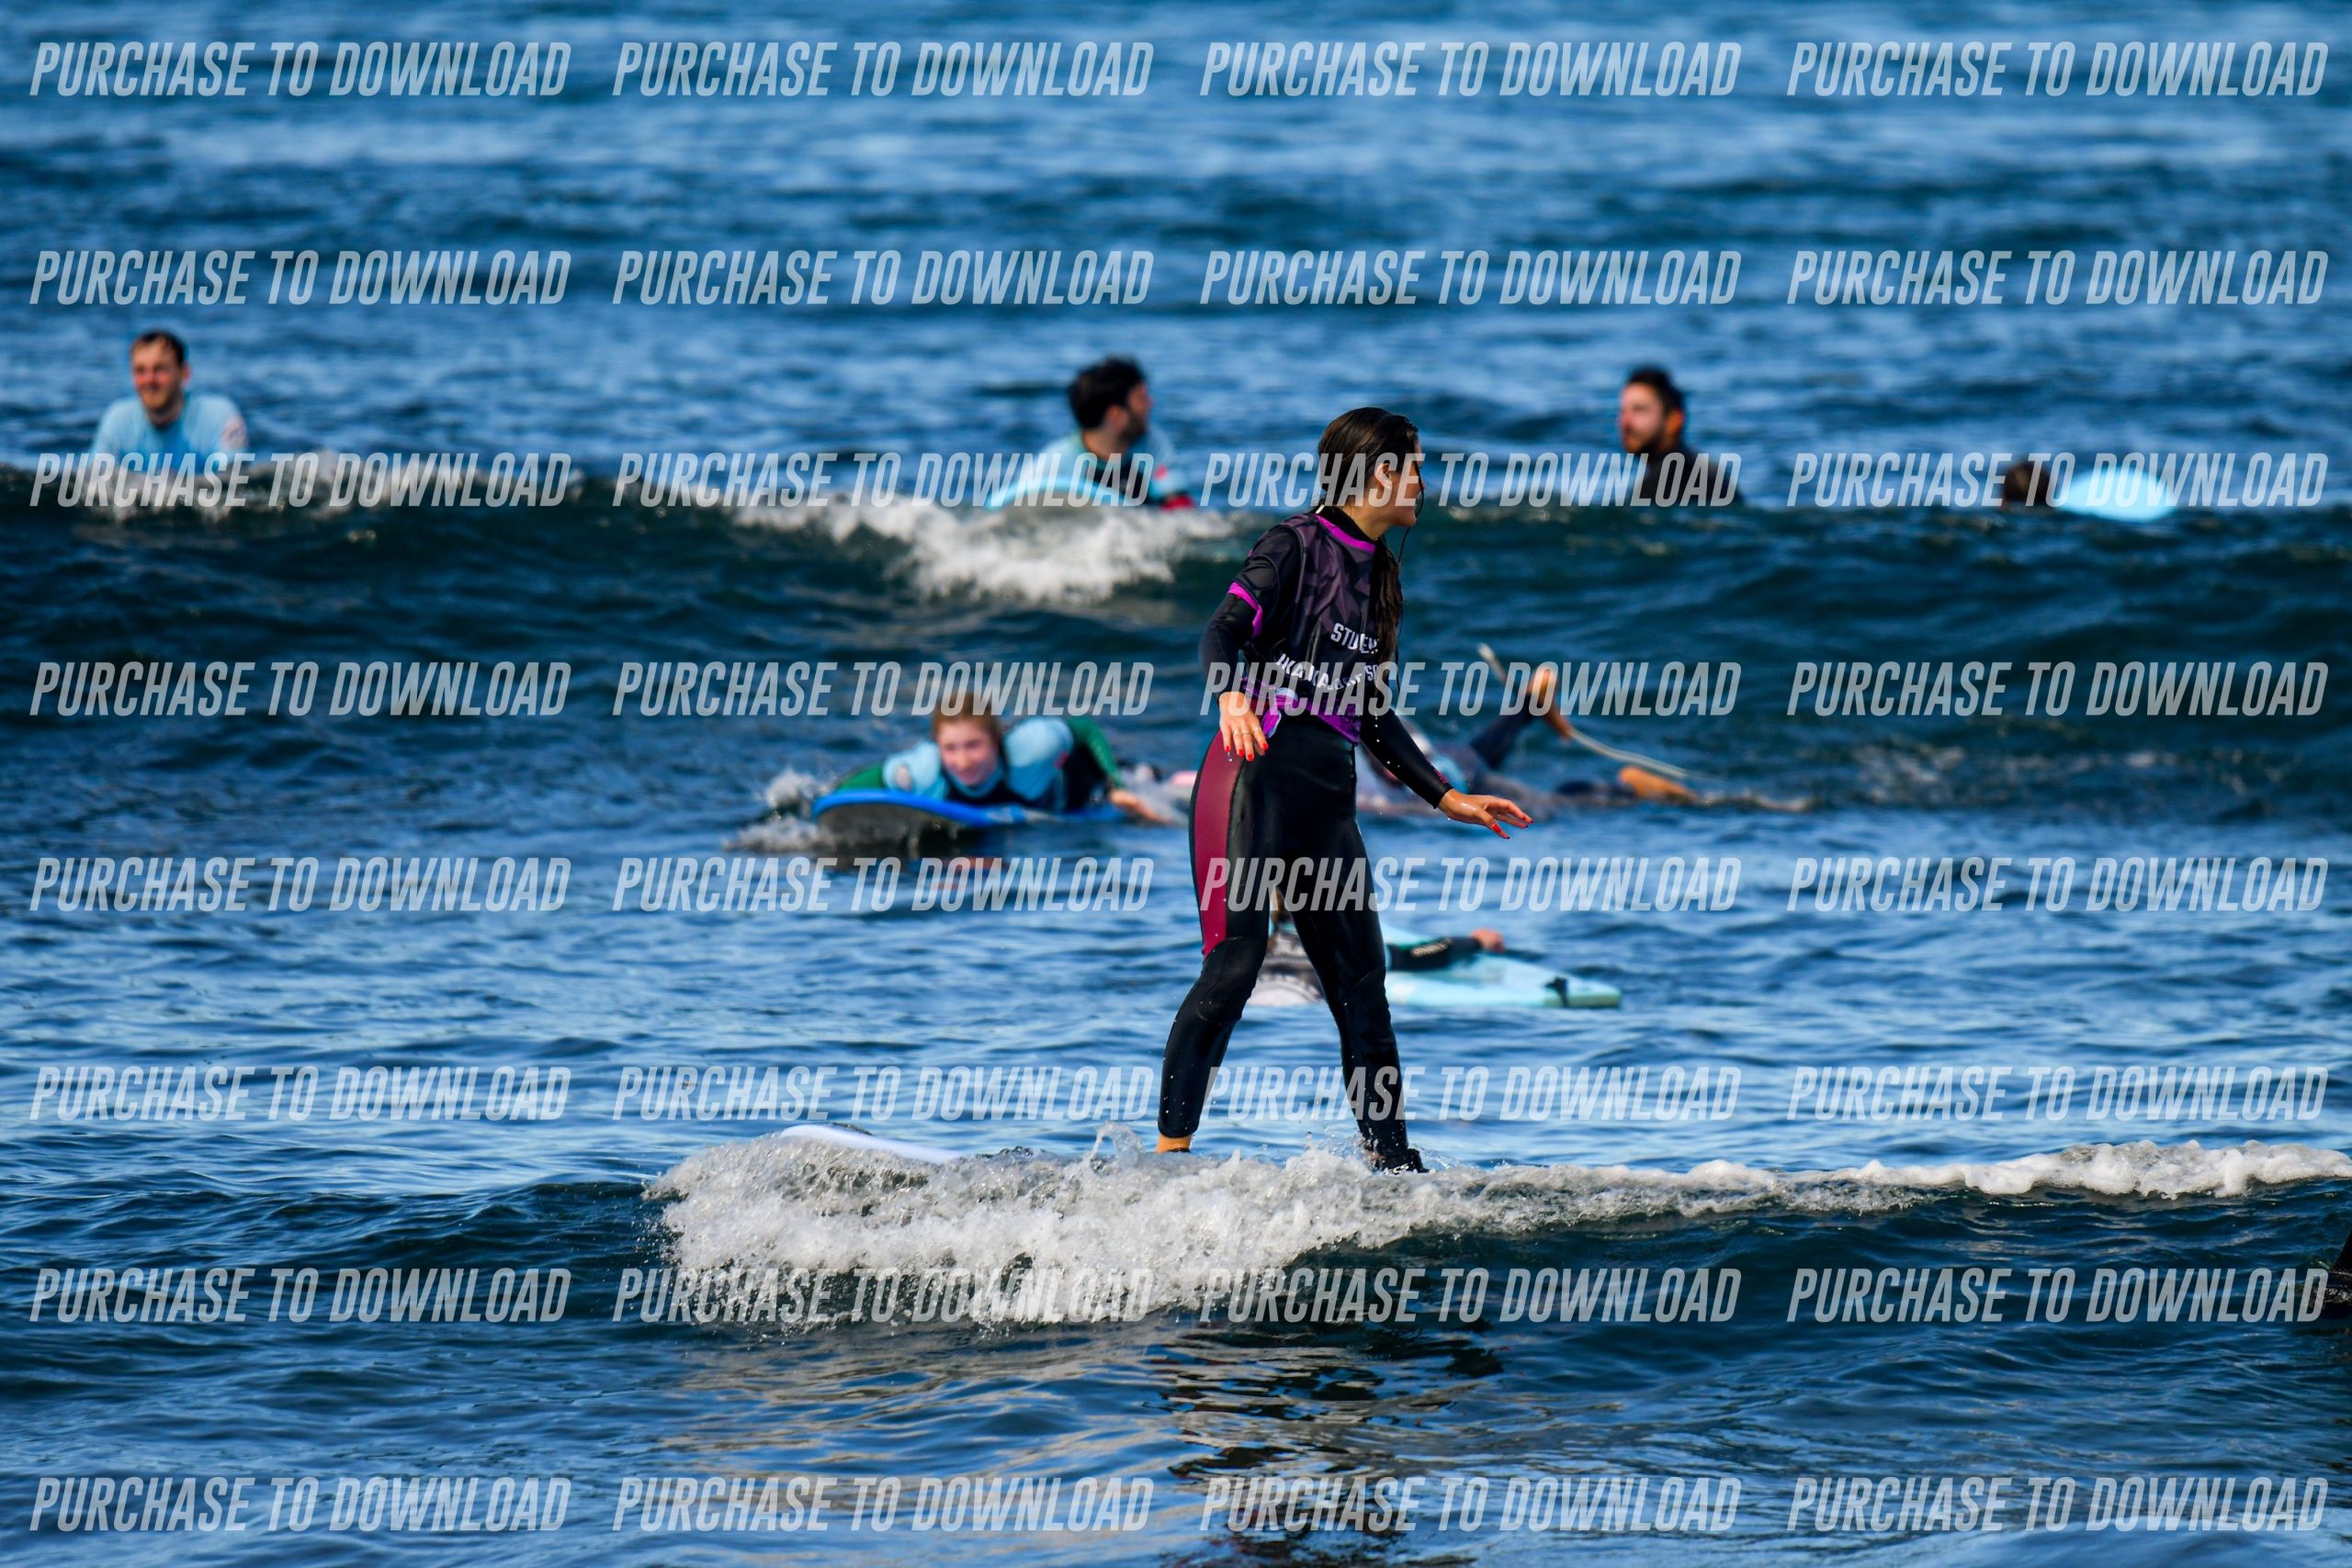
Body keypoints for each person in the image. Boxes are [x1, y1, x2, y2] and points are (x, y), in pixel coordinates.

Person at [1158, 407, 1532, 1172]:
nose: (1422, 482)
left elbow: (1369, 710)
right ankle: (1168, 1159)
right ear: (1376, 474)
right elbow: (1222, 630)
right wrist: (1230, 695)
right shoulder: (1294, 544)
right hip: (1254, 775)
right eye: (1413, 467)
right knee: (1235, 966)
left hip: (1328, 796)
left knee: (1364, 988)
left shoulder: (1380, 576)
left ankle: (1392, 1167)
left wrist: (1445, 796)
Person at [832, 687, 1168, 822]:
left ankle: (1150, 776)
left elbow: (1084, 730)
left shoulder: (1033, 746)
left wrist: (1114, 784)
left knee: (1151, 798)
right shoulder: (920, 769)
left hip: (1085, 792)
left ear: (996, 740)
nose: (962, 761)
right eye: (950, 748)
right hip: (1018, 814)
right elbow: (857, 786)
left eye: (973, 746)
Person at [984, 356, 1193, 509]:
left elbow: (1179, 506)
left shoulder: (1151, 443)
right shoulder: (1053, 464)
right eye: (1142, 398)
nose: (1150, 403)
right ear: (1115, 416)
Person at [89, 331, 250, 465]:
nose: (149, 380)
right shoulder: (117, 419)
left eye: (160, 369)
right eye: (140, 370)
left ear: (184, 373)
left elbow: (235, 479)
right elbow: (92, 480)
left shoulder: (220, 416)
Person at [1618, 366, 1736, 505]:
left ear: (1674, 420)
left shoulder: (1665, 482)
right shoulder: (1706, 471)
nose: (1625, 422)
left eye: (1640, 410)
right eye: (1623, 411)